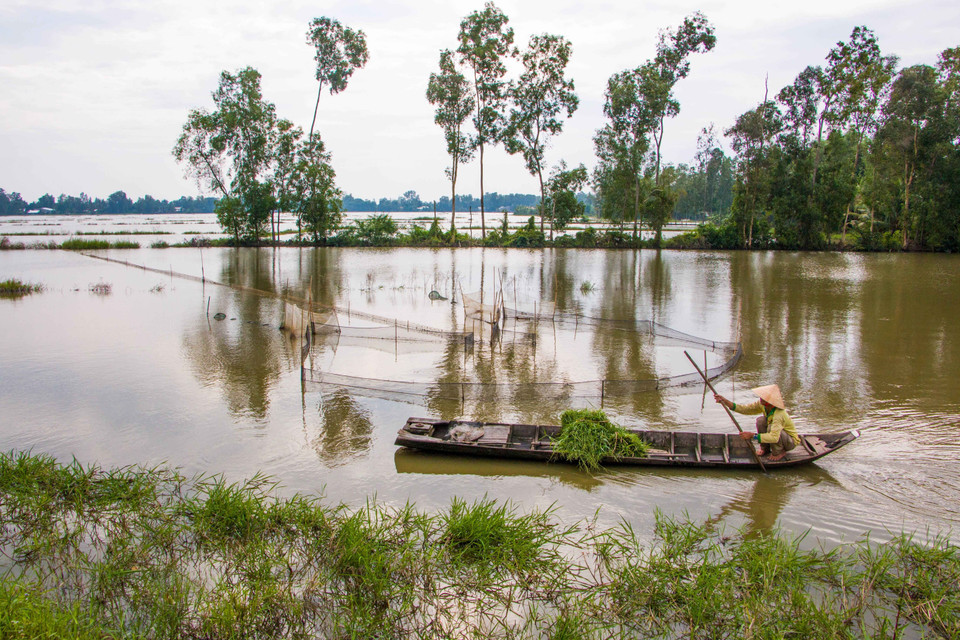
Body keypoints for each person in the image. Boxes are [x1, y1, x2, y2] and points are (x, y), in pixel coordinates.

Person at [714, 384, 800, 461]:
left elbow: (774, 437)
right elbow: (745, 409)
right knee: (761, 421)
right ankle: (765, 448)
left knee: (770, 428)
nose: (760, 398)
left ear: (770, 401)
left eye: (764, 398)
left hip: (789, 442)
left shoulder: (779, 414)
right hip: (777, 436)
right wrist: (725, 401)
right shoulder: (762, 405)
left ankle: (779, 452)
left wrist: (752, 436)